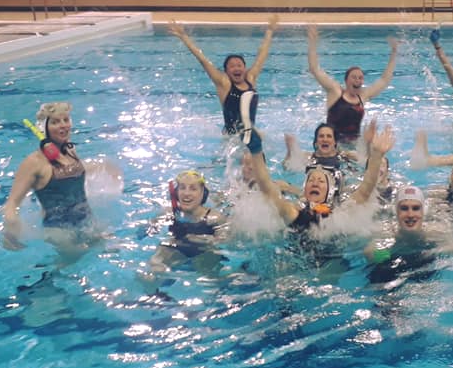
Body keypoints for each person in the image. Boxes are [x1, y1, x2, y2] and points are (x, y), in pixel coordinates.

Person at [244, 124, 394, 231]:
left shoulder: (341, 213)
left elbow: (366, 188)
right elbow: (268, 191)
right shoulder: (293, 212)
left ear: (330, 191)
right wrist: (256, 151)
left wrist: (377, 155)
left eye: (321, 181)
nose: (315, 183)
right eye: (311, 180)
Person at [2, 101, 95, 257]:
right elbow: (11, 204)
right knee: (78, 257)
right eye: (55, 122)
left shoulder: (70, 151)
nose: (63, 125)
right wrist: (10, 234)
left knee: (111, 246)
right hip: (58, 230)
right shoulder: (34, 162)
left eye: (66, 120)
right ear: (44, 128)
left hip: (85, 221)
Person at [167, 15, 276, 134]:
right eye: (232, 66)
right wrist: (184, 37)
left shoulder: (250, 78)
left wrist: (269, 31)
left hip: (251, 132)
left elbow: (262, 56)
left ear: (244, 68)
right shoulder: (224, 84)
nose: (237, 68)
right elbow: (203, 60)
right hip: (231, 138)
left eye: (239, 65)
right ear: (226, 71)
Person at [307, 25, 399, 144]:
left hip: (354, 145)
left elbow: (384, 80)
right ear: (346, 81)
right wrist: (313, 43)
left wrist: (394, 52)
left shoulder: (363, 96)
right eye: (354, 77)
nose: (357, 80)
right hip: (333, 145)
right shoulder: (335, 92)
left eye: (360, 78)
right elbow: (315, 69)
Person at [147, 170, 226, 273]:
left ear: (203, 193)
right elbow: (147, 231)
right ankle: (156, 288)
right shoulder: (169, 213)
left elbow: (228, 242)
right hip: (177, 250)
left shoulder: (214, 218)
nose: (186, 193)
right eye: (182, 188)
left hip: (205, 253)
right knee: (151, 271)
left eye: (193, 189)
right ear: (176, 192)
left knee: (208, 270)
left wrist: (210, 241)